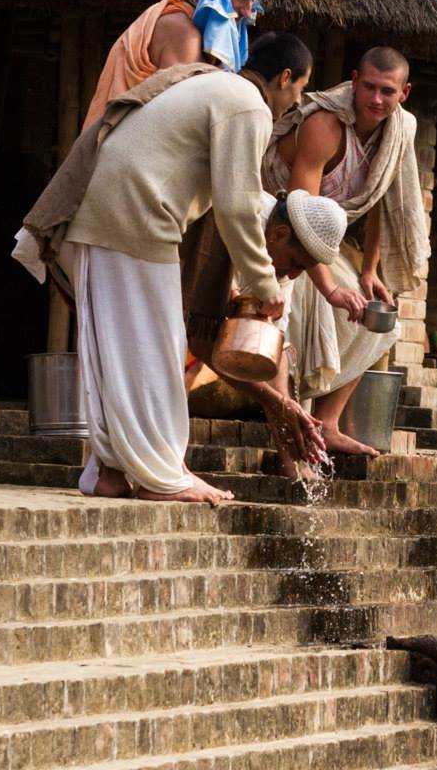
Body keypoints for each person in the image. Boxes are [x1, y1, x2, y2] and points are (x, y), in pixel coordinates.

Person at [23, 32, 326, 502]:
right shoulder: (247, 103)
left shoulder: (216, 85)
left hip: (103, 212)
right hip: (134, 215)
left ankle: (110, 470)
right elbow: (237, 203)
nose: (297, 101)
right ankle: (161, 477)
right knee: (158, 350)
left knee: (115, 351)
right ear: (284, 78)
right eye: (299, 89)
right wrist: (264, 283)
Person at [265, 47, 429, 455]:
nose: (376, 99)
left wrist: (370, 271)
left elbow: (377, 203)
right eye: (369, 87)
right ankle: (289, 435)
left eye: (387, 92)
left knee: (380, 317)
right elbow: (298, 216)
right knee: (303, 300)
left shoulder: (398, 132)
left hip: (323, 236)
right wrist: (329, 289)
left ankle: (329, 422)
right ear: (354, 81)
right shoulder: (325, 125)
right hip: (276, 227)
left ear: (404, 93)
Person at [82, 0, 266, 127]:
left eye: (253, 1)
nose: (246, 12)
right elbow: (182, 122)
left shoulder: (191, 19)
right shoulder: (183, 32)